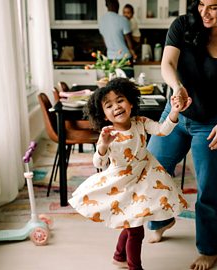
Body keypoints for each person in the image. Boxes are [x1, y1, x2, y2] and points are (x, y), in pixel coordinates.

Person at [146, 0, 217, 269]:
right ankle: (161, 219)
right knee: (153, 168)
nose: (204, 13)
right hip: (176, 115)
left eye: (214, 7)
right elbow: (167, 63)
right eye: (201, 5)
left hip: (214, 121)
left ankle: (208, 249)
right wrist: (177, 87)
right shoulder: (183, 26)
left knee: (209, 186)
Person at [69, 78, 189, 270]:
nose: (116, 107)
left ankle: (119, 256)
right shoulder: (108, 133)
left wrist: (174, 111)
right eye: (109, 105)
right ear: (105, 115)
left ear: (131, 103)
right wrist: (103, 145)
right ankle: (134, 266)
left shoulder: (140, 122)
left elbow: (162, 130)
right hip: (122, 183)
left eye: (120, 100)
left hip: (144, 178)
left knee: (132, 223)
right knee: (135, 231)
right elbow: (98, 163)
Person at [99, 0, 137, 77]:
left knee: (113, 86)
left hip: (110, 59)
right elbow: (130, 44)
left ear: (107, 6)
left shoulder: (101, 20)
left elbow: (105, 43)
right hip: (125, 59)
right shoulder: (123, 20)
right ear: (117, 5)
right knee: (128, 86)